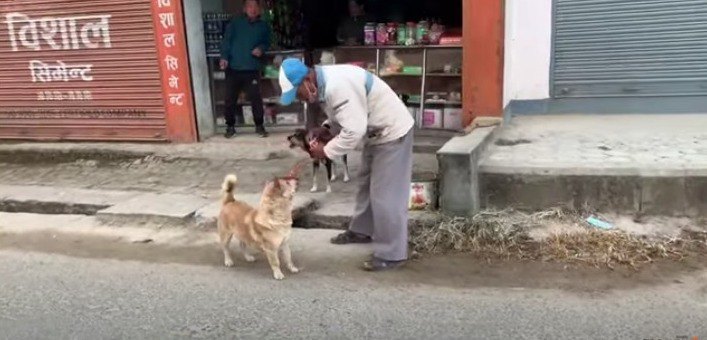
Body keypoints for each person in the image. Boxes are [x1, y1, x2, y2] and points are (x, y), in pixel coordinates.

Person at [278, 58, 414, 271]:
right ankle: (362, 230)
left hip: (391, 131)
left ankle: (392, 254)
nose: (300, 98)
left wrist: (326, 151)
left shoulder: (337, 86)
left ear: (307, 80)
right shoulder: (324, 84)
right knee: (366, 185)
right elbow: (342, 116)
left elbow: (354, 130)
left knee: (387, 195)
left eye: (297, 93)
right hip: (375, 133)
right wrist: (326, 129)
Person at [220, 0, 271, 138]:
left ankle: (259, 126)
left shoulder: (263, 26)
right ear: (244, 9)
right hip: (233, 68)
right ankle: (230, 126)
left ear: (259, 9)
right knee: (230, 99)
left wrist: (261, 48)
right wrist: (224, 57)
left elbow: (267, 42)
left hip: (252, 68)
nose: (252, 9)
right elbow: (226, 41)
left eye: (255, 6)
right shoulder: (235, 24)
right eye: (249, 6)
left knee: (256, 98)